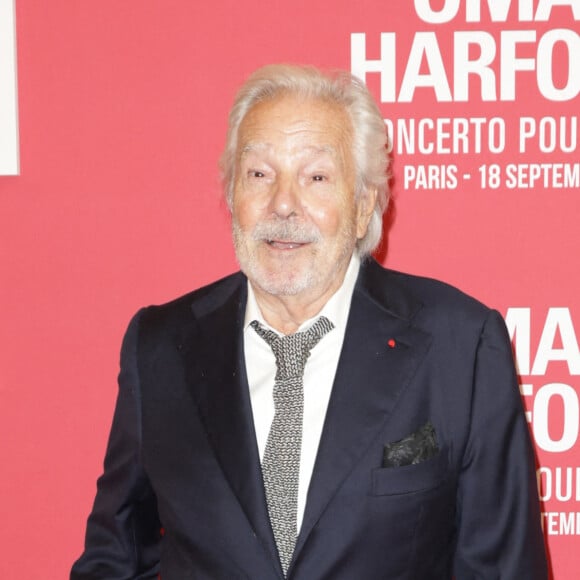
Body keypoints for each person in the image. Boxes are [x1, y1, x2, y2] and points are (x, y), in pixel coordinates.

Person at [71, 64, 547, 579]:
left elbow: (504, 570)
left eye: (316, 177)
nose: (283, 204)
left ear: (365, 206)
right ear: (232, 195)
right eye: (259, 174)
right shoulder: (160, 346)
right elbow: (115, 558)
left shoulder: (461, 346)